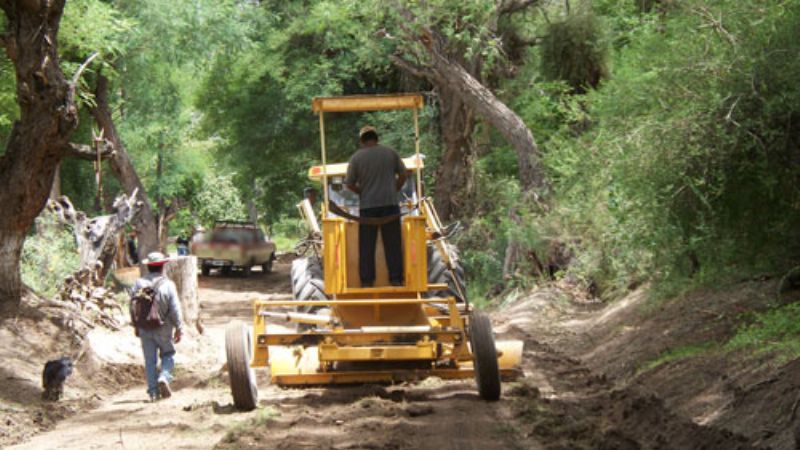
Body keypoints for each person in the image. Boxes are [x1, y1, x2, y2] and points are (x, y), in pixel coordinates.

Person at [345, 125, 407, 287]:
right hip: (390, 205)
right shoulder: (390, 153)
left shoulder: (356, 158)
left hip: (368, 208)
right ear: (376, 138)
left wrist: (362, 192)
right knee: (392, 243)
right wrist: (396, 188)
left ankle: (366, 281)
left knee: (366, 246)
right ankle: (396, 279)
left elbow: (349, 183)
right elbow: (403, 174)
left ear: (362, 141)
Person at [130, 252, 183, 402]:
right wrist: (179, 327)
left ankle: (153, 392)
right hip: (164, 327)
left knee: (149, 360)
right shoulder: (168, 285)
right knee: (168, 354)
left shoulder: (138, 284)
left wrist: (136, 325)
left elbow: (132, 307)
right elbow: (175, 309)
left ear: (147, 266)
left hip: (145, 328)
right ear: (163, 267)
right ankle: (165, 376)